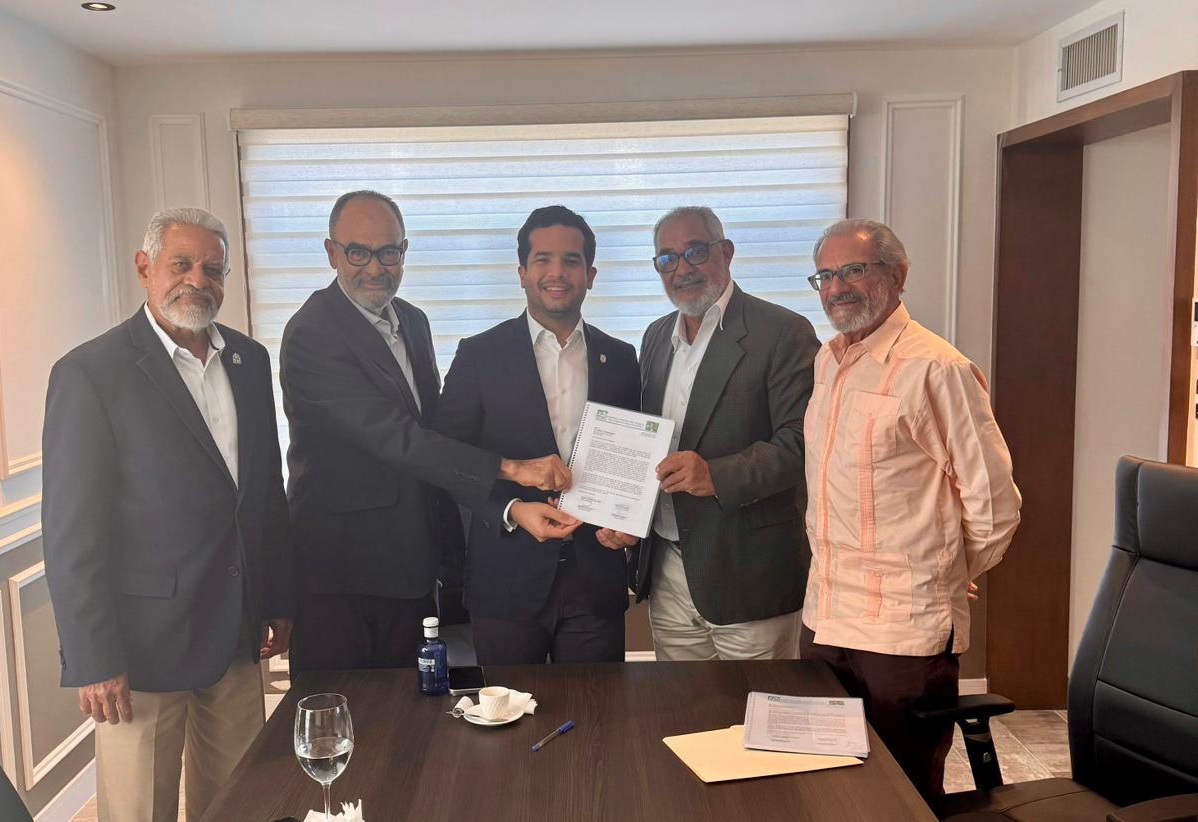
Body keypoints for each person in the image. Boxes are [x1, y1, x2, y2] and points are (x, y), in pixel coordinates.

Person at [42, 208, 293, 822]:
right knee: (139, 809)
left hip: (235, 634)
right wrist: (94, 658)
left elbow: (266, 491)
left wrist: (277, 598)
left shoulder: (250, 361)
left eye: (213, 269)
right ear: (144, 268)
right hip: (141, 650)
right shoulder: (90, 373)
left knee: (237, 802)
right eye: (181, 264)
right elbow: (72, 532)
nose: (197, 281)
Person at [280, 191, 573, 673]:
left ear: (404, 251)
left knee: (412, 709)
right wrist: (513, 469)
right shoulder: (312, 333)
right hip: (340, 575)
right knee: (344, 709)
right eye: (358, 252)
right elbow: (395, 437)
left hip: (412, 567)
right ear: (332, 253)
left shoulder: (413, 322)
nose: (375, 268)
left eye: (388, 252)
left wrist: (508, 506)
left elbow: (438, 431)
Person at [800, 217, 1021, 799]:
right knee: (827, 783)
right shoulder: (828, 361)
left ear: (896, 275)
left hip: (901, 632)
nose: (836, 287)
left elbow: (995, 505)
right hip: (825, 617)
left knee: (902, 793)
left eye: (853, 270)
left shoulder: (937, 368)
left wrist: (947, 574)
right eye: (825, 275)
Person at [611, 206, 820, 661]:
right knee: (682, 704)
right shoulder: (655, 336)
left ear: (726, 252)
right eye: (667, 258)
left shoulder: (782, 331)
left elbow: (802, 443)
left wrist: (715, 475)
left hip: (751, 574)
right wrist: (622, 510)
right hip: (668, 570)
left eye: (695, 252)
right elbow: (646, 440)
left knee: (757, 705)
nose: (681, 268)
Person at [435, 205, 640, 664]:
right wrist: (509, 509)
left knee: (597, 707)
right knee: (509, 708)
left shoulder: (621, 357)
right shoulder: (479, 355)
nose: (557, 272)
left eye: (571, 261)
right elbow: (447, 460)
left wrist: (629, 522)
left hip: (595, 579)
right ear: (522, 273)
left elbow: (631, 459)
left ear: (590, 274)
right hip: (505, 579)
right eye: (543, 259)